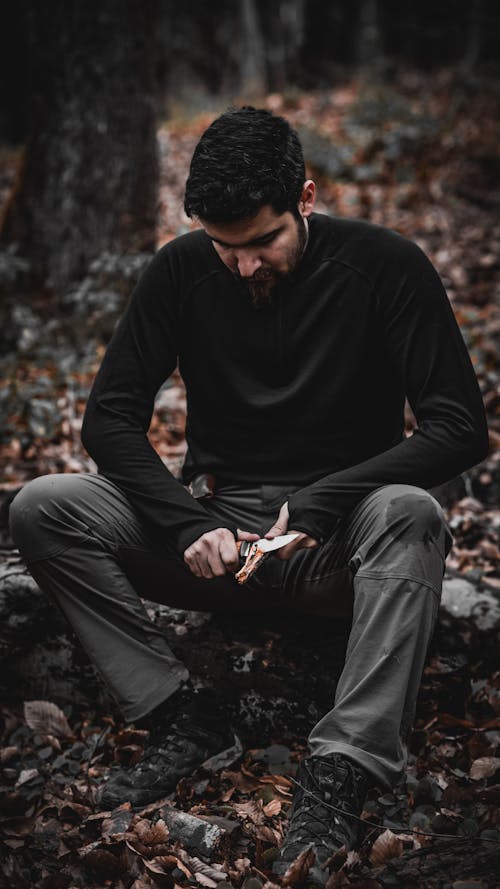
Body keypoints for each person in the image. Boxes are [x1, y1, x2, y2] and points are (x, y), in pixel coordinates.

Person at [9, 107, 488, 884]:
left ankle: (344, 766)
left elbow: (460, 427)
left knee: (413, 513)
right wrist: (186, 520)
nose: (242, 265)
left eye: (262, 242)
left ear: (305, 195)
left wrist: (330, 498)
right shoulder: (181, 269)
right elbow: (110, 418)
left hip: (339, 536)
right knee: (43, 503)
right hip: (219, 535)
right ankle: (177, 713)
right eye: (224, 247)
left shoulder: (387, 266)